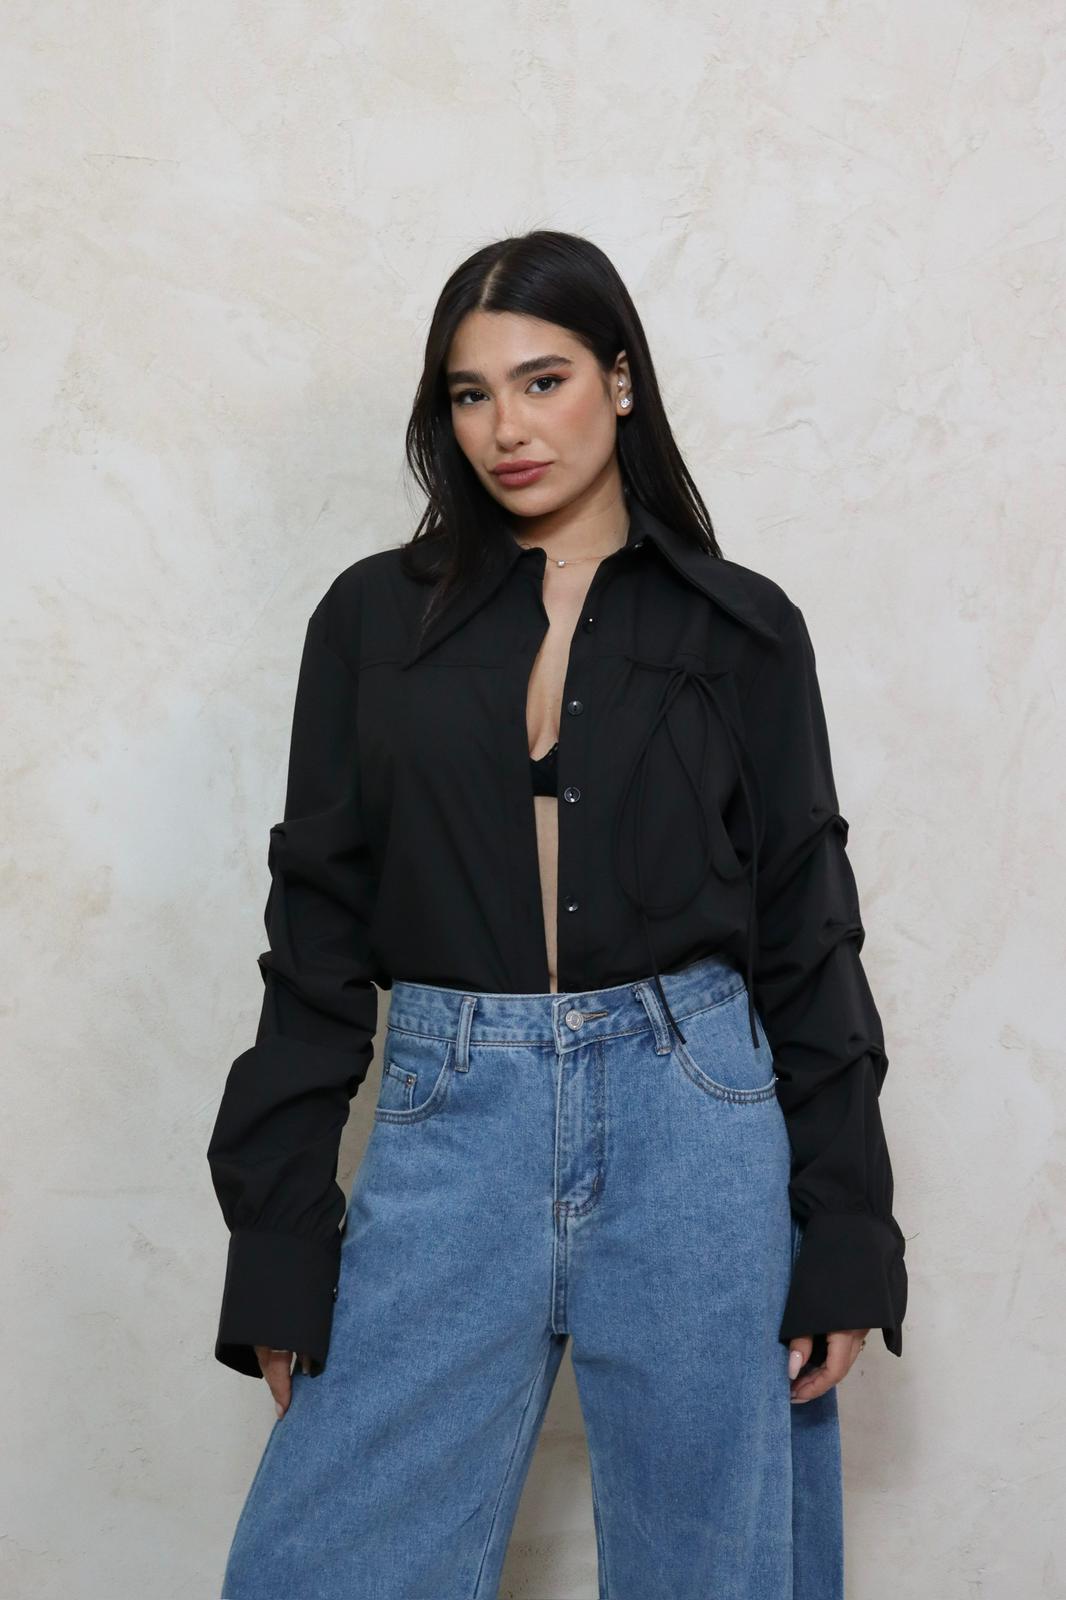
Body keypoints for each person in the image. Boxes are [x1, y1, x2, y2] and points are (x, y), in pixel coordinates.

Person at [207, 229, 907, 1600]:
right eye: (470, 395)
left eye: (543, 380)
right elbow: (315, 941)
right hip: (450, 1114)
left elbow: (804, 930)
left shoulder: (743, 629)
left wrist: (846, 1229)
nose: (507, 429)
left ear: (619, 381)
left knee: (715, 1566)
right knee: (327, 1559)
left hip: (695, 1118)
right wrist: (280, 1244)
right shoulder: (369, 622)